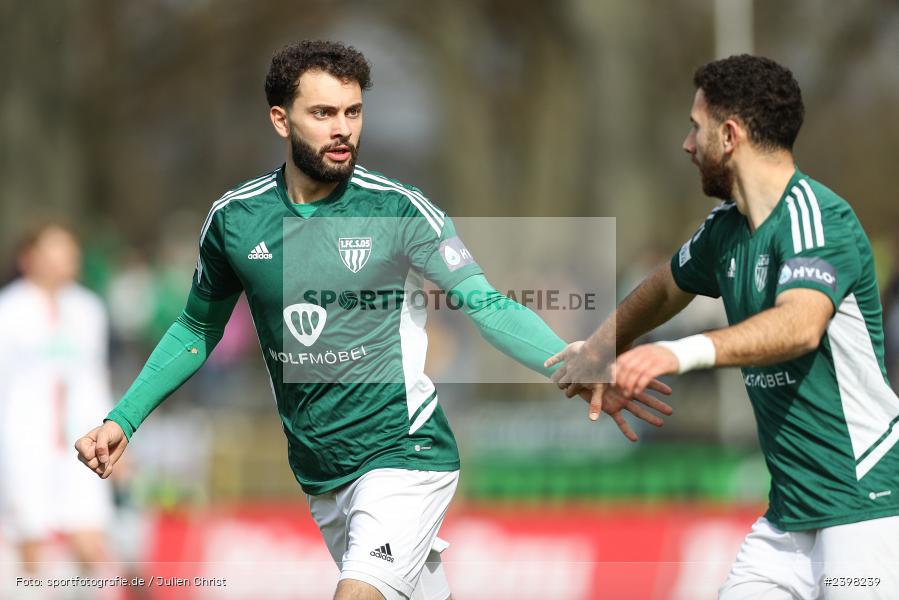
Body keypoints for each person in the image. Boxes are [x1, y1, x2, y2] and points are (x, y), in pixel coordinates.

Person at [74, 40, 672, 600]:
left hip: (404, 453)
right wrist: (124, 419)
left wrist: (573, 358)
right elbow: (196, 329)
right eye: (324, 112)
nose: (343, 130)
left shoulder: (399, 209)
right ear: (281, 120)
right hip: (321, 472)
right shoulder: (236, 220)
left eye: (353, 112)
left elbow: (485, 303)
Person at [547, 54, 899, 599]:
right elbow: (664, 287)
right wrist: (599, 349)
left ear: (729, 135)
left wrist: (677, 353)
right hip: (788, 519)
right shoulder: (725, 230)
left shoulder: (817, 218)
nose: (688, 144)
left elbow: (801, 325)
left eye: (697, 126)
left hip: (865, 511)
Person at [0, 224, 115, 577]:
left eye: (69, 250)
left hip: (80, 440)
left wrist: (117, 428)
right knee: (30, 538)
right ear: (29, 258)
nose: (65, 259)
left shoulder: (88, 309)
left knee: (90, 540)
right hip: (24, 442)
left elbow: (96, 377)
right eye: (55, 250)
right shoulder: (10, 309)